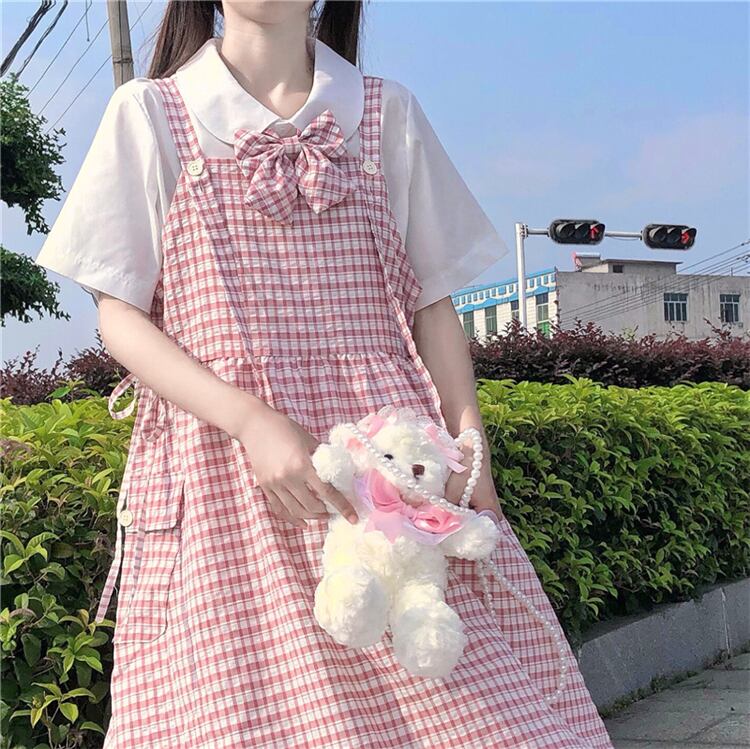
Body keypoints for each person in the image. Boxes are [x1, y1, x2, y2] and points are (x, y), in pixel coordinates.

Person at [34, 1, 614, 747]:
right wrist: (249, 418)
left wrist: (469, 440)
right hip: (225, 479)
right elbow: (119, 316)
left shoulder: (385, 114)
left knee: (471, 708)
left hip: (387, 473)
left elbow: (433, 305)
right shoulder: (151, 115)